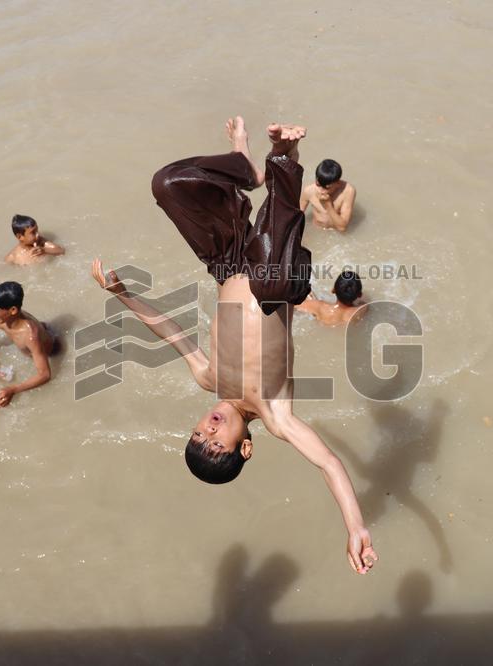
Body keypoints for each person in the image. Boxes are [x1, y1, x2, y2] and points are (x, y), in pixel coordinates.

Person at [91, 116, 377, 574]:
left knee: (168, 184)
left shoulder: (208, 379)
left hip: (227, 263)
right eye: (216, 442)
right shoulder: (275, 415)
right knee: (274, 274)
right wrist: (356, 526)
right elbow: (328, 463)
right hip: (273, 279)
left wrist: (121, 294)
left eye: (198, 434)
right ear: (245, 447)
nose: (208, 429)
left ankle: (244, 166)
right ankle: (284, 155)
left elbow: (171, 331)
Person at [0, 281, 60, 407]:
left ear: (13, 310)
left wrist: (13, 390)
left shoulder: (30, 336)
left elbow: (45, 375)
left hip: (52, 351)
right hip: (42, 331)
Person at [299, 158, 356, 231]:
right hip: (317, 229)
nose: (321, 191)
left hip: (337, 232)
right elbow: (297, 217)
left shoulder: (348, 191)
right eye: (318, 185)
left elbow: (342, 227)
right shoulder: (309, 191)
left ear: (338, 183)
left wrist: (328, 205)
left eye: (327, 188)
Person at [295, 269, 365, 326]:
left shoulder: (321, 307)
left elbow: (295, 305)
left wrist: (312, 300)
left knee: (309, 295)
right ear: (359, 295)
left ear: (333, 290)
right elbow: (363, 303)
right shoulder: (358, 311)